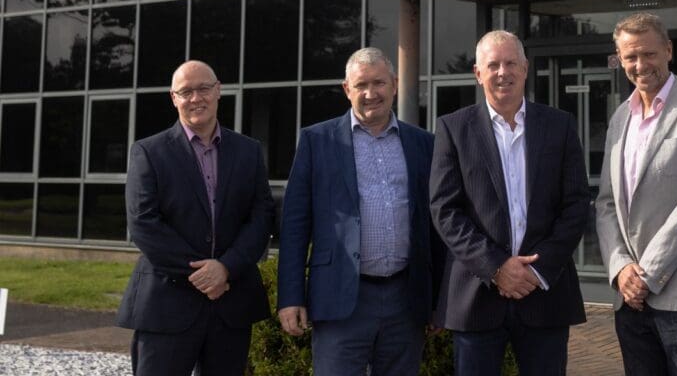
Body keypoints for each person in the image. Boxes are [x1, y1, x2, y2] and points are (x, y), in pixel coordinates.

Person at [430, 30, 590, 375]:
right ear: (478, 73)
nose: (503, 72)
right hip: (477, 294)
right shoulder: (453, 129)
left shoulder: (559, 125)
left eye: (511, 63)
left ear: (525, 68)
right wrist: (497, 267)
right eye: (493, 65)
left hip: (545, 292)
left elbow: (576, 204)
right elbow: (445, 210)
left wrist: (537, 269)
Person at [276, 47, 442, 375]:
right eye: (361, 85)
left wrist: (437, 299)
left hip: (405, 300)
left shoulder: (423, 143)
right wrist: (290, 296)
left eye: (379, 83)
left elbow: (434, 224)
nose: (370, 93)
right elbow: (295, 225)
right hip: (339, 298)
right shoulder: (317, 141)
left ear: (395, 84)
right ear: (346, 89)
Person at [593, 12, 677, 375]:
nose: (640, 65)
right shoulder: (620, 118)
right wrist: (620, 268)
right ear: (620, 59)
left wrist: (647, 274)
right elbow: (606, 203)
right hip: (630, 299)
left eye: (649, 54)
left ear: (668, 50)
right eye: (630, 57)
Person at [116, 60, 274, 376]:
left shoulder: (249, 151)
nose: (196, 98)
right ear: (173, 98)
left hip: (231, 303)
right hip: (167, 303)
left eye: (203, 88)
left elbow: (261, 215)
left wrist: (226, 268)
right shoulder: (149, 152)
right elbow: (143, 223)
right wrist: (204, 274)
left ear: (218, 91)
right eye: (186, 91)